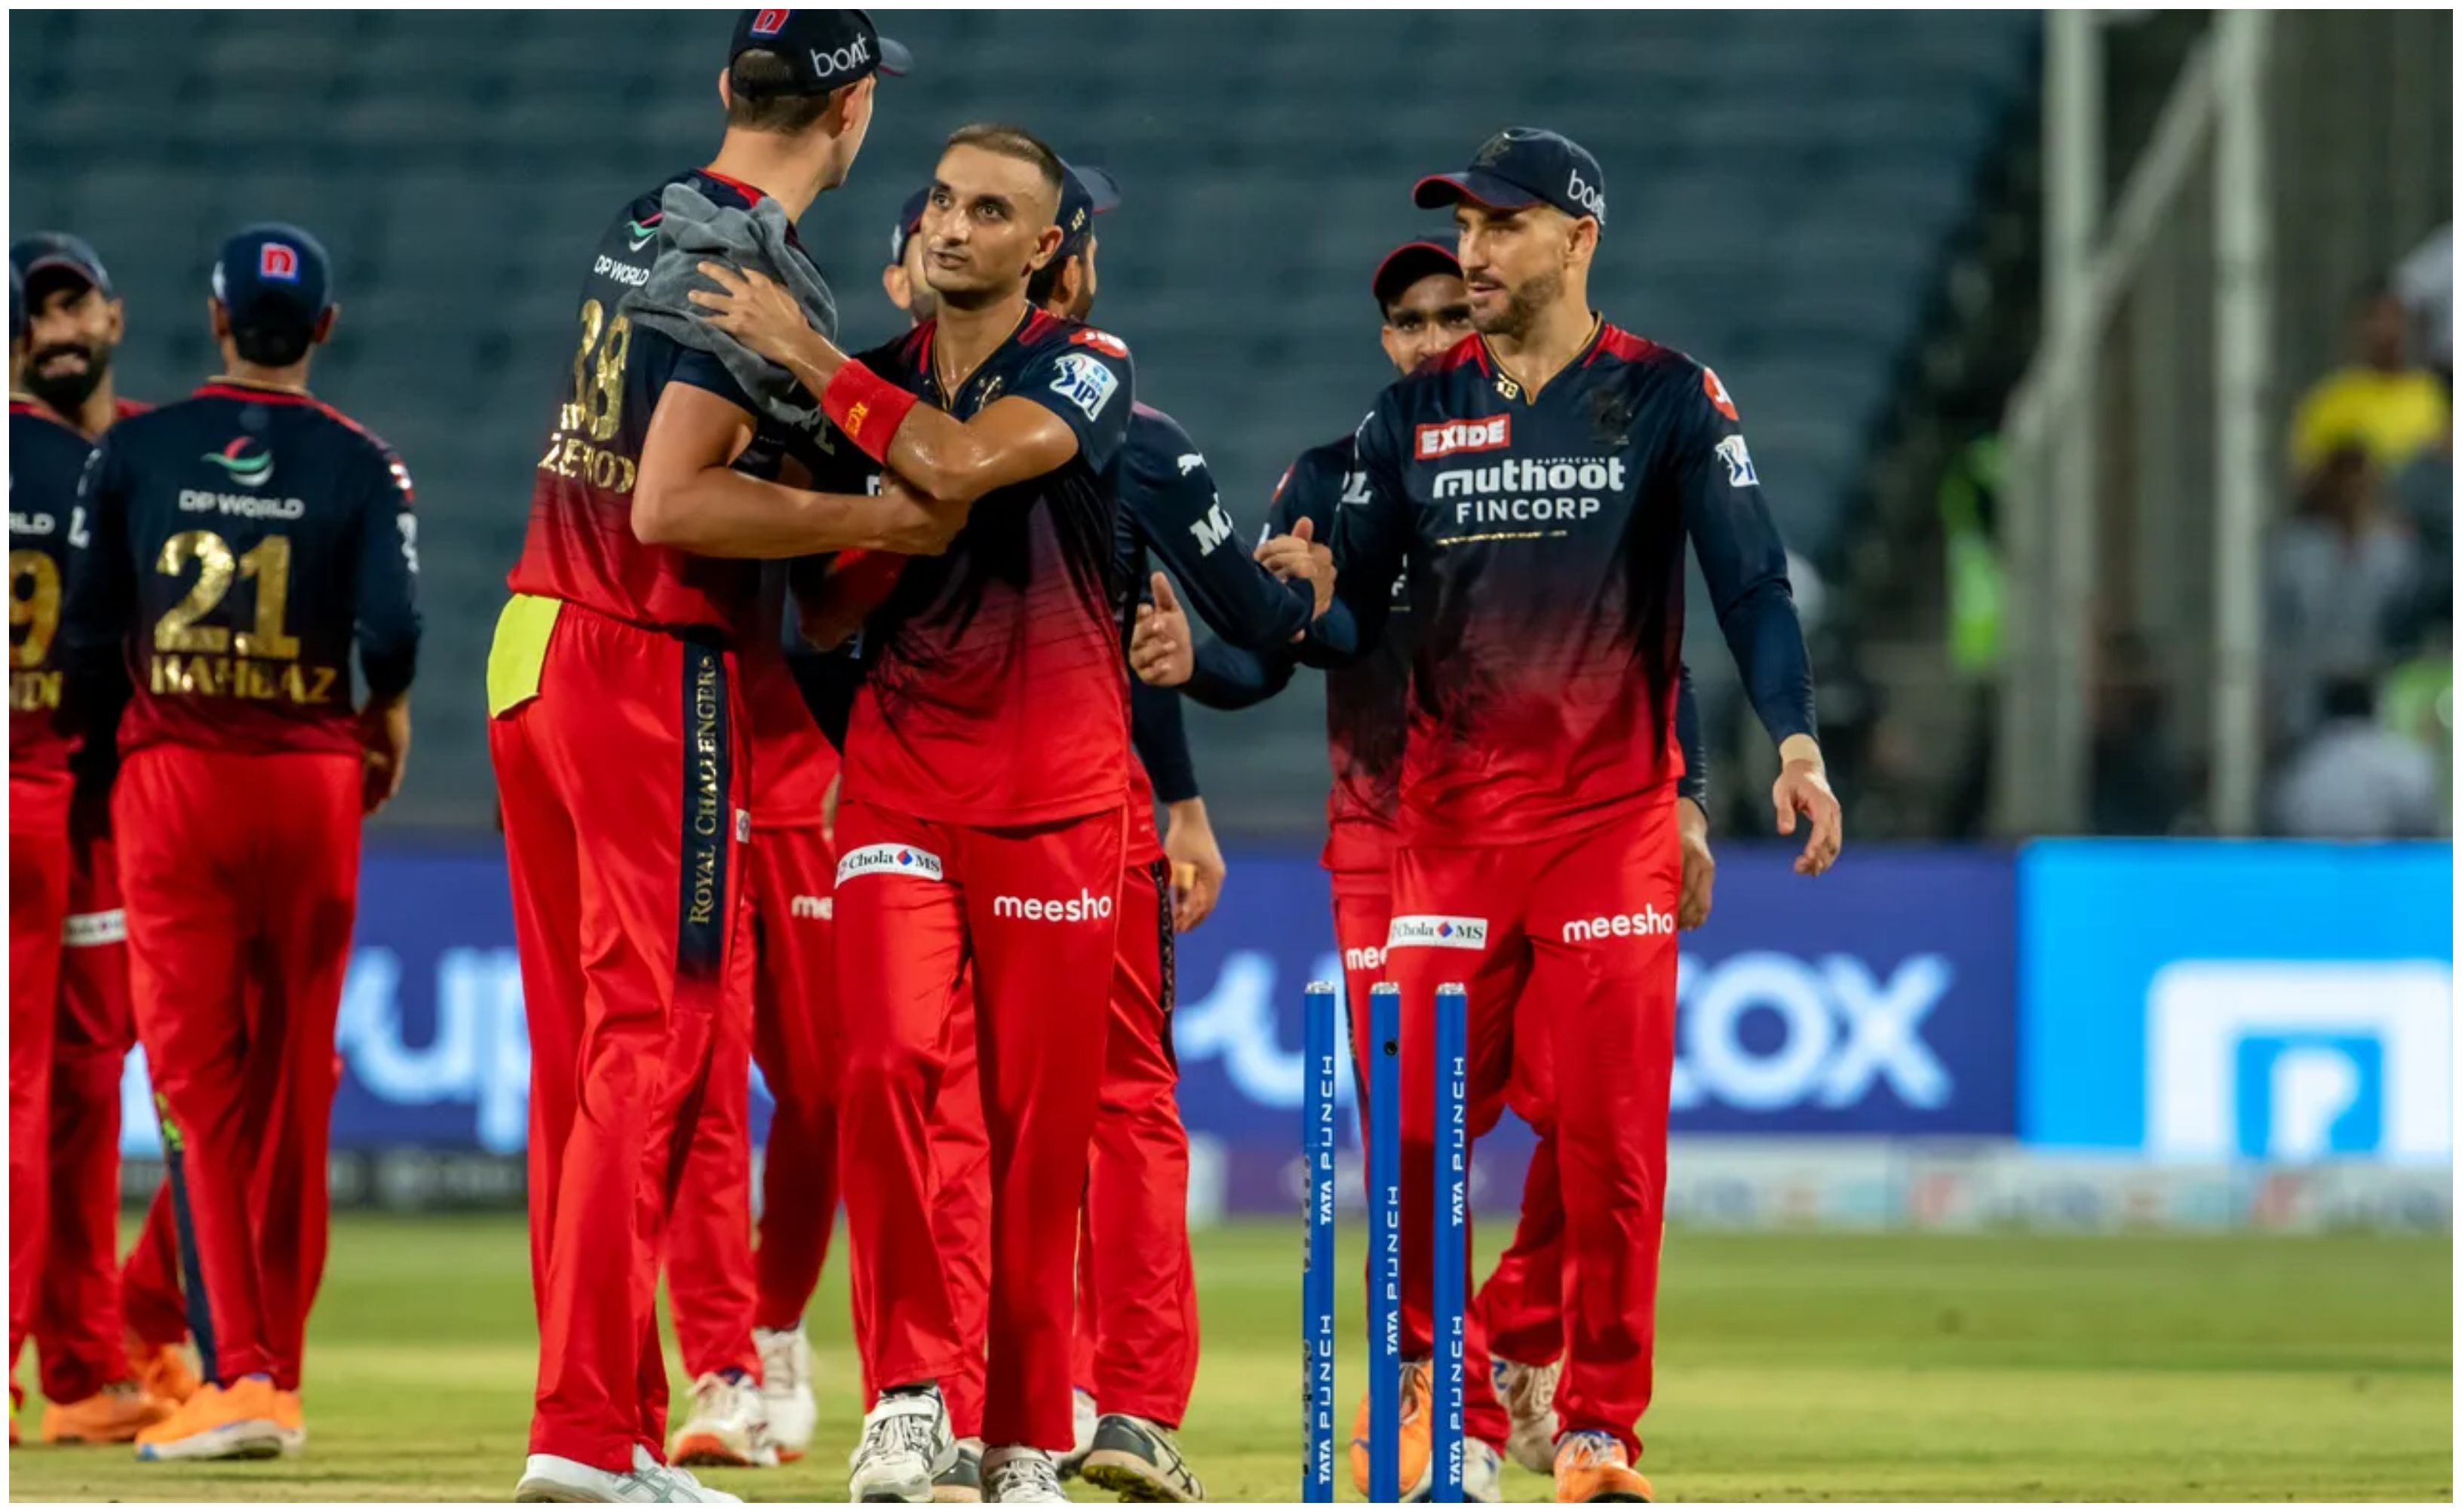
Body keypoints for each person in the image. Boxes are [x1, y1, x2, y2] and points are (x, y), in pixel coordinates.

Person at [1129, 237, 1718, 1495]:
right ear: (1385, 340)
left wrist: (1684, 794)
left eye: (1455, 310)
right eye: (1410, 319)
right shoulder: (1334, 475)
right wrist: (1196, 665)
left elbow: (1638, 634)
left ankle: (1512, 1330)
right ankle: (1442, 1402)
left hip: (1572, 827)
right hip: (1386, 842)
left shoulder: (1562, 453)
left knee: (1595, 1119)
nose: (1436, 335)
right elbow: (1272, 653)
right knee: (1417, 1138)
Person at [1324, 128, 1837, 1501]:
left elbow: (1749, 584)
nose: (1474, 252)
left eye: (1501, 225)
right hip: (1444, 835)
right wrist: (1266, 606)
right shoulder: (1409, 416)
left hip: (1608, 824)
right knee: (1416, 1143)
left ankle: (1597, 1426)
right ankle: (1443, 1412)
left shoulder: (1667, 394)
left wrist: (1793, 740)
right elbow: (1344, 617)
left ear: (1577, 237)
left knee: (1609, 1145)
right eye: (1463, 227)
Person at [483, 11, 935, 1502]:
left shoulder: (653, 213)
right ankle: (585, 1431)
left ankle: (598, 1422)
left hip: (534, 636)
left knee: (584, 1062)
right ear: (851, 111)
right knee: (658, 1045)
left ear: (724, 90)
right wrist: (877, 513)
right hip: (641, 652)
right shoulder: (761, 274)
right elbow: (675, 505)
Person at [689, 123, 1143, 1504]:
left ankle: (1022, 1433)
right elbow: (823, 611)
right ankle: (907, 1396)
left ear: (1043, 248)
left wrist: (809, 359)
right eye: (940, 201)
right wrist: (870, 532)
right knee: (880, 1068)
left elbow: (954, 467)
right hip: (895, 781)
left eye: (988, 211)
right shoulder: (873, 377)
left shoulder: (1084, 365)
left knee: (1034, 1126)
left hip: (1058, 794)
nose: (950, 225)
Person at [57, 223, 420, 1463]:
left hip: (177, 782)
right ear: (323, 328)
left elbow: (89, 636)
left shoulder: (135, 451)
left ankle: (243, 1378)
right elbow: (394, 629)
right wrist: (383, 717)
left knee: (198, 1094)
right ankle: (278, 1375)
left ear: (214, 320)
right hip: (313, 786)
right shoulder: (365, 461)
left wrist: (99, 780)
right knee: (296, 1090)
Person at [1025, 162, 1337, 1504]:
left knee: (953, 1107)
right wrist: (1303, 599)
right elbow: (1253, 632)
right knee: (1117, 1101)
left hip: (916, 815)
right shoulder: (1131, 438)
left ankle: (967, 1403)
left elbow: (1127, 631)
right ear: (1071, 266)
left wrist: (1188, 791)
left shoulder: (886, 421)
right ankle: (1126, 1406)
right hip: (1078, 816)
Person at [9, 232, 199, 1431]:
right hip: (51, 794)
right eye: (37, 314)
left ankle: (82, 1365)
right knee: (34, 1090)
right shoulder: (126, 468)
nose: (59, 331)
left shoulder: (145, 457)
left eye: (74, 306)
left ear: (115, 319)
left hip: (95, 818)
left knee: (83, 1088)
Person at [2289, 284, 2450, 480]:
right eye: (2376, 318)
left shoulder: (2434, 396)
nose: (2387, 330)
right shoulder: (2330, 399)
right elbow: (2306, 472)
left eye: (2395, 318)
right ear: (2358, 327)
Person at [2270, 676, 2443, 839]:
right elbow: (2425, 821)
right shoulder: (2404, 757)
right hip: (2391, 858)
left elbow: (2284, 818)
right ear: (2373, 707)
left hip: (2313, 857)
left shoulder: (2302, 764)